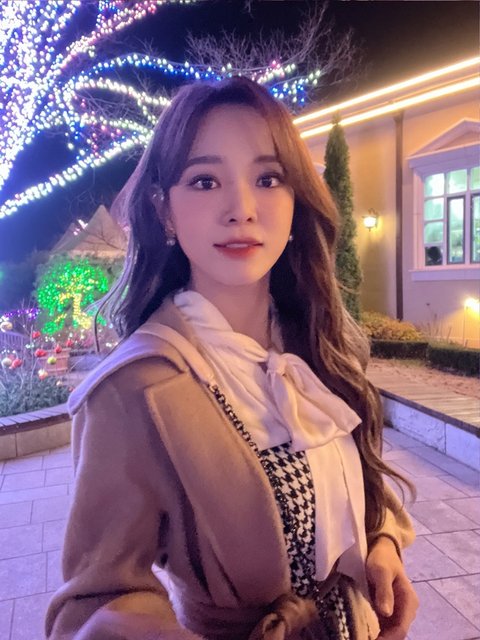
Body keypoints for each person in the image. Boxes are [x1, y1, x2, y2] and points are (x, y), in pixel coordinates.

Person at [46, 76, 418, 640]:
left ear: (295, 201)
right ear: (164, 211)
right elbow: (94, 601)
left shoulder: (317, 343)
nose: (242, 209)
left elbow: (355, 481)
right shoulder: (134, 389)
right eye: (205, 181)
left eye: (268, 179)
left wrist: (382, 544)